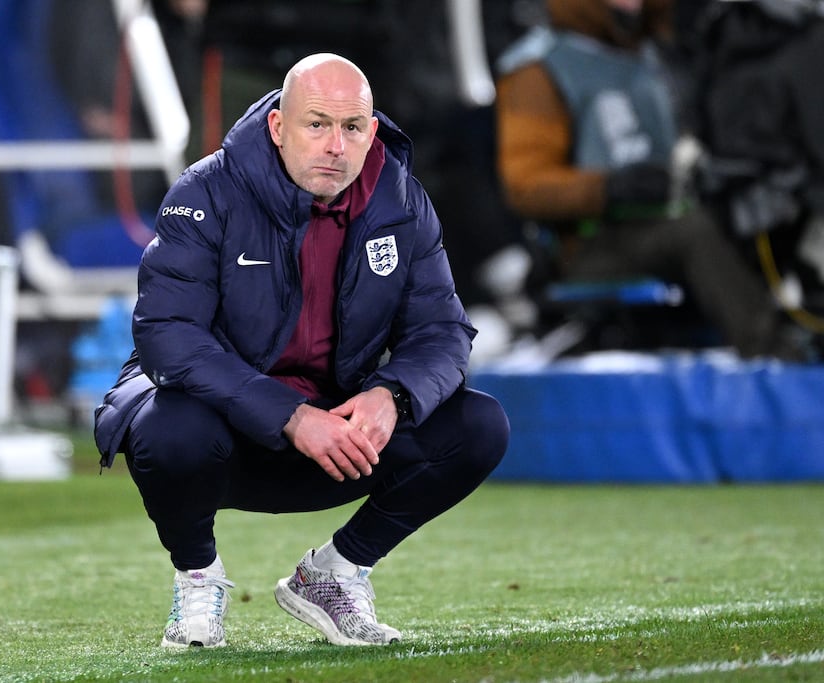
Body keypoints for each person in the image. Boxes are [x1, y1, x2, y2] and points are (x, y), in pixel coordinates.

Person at [93, 53, 510, 648]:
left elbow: (443, 332)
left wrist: (391, 394)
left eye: (351, 127)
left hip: (337, 439)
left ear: (370, 132)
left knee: (479, 425)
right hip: (228, 437)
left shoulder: (402, 201)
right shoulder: (206, 191)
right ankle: (197, 577)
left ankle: (335, 575)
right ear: (278, 128)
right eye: (317, 124)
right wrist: (288, 415)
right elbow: (168, 337)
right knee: (167, 428)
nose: (335, 145)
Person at [494, 0, 808, 360]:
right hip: (590, 244)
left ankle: (802, 325)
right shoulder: (540, 66)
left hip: (666, 218)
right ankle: (776, 355)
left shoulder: (652, 55)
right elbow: (524, 185)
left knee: (762, 216)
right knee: (694, 233)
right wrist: (608, 188)